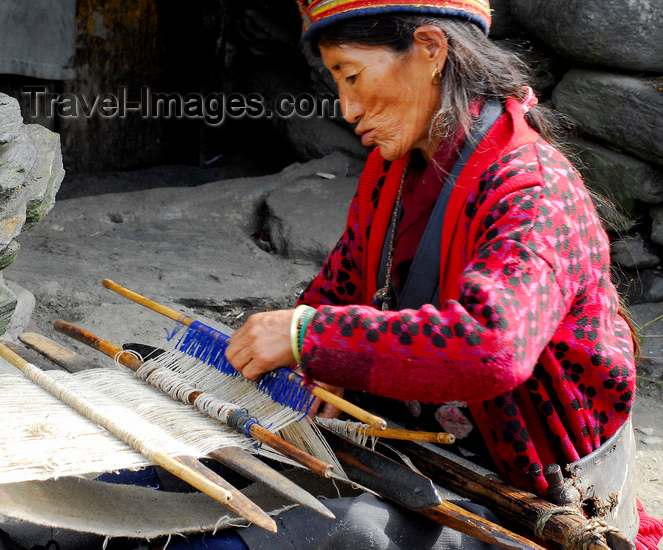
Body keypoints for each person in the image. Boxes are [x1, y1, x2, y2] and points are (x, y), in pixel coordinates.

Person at [225, 1, 663, 548]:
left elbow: (491, 347)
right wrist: (313, 360)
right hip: (418, 455)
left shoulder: (535, 187)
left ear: (431, 50)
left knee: (351, 535)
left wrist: (310, 338)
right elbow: (339, 288)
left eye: (353, 76)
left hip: (529, 496)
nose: (349, 107)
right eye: (338, 81)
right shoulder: (391, 173)